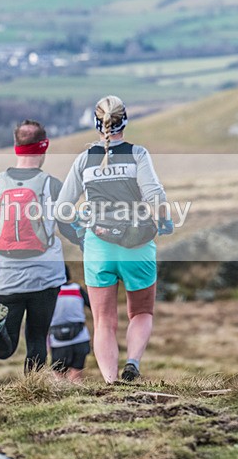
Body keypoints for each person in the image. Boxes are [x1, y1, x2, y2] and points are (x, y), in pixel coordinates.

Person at [56, 95, 173, 383]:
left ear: (97, 124)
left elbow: (62, 209)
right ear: (125, 121)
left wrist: (80, 237)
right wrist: (163, 220)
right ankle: (132, 363)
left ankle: (110, 381)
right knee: (142, 312)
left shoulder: (84, 160)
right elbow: (155, 196)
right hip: (138, 246)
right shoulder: (138, 154)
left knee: (104, 322)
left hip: (98, 246)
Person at [0, 120, 82, 373]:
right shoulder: (51, 185)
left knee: (5, 348)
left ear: (16, 146)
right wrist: (88, 245)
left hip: (5, 277)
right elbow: (69, 227)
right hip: (44, 276)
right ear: (43, 147)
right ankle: (33, 390)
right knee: (37, 340)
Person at [49, 265, 91, 383]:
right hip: (80, 338)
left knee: (58, 378)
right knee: (76, 377)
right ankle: (77, 399)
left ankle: (62, 399)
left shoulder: (50, 292)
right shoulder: (77, 289)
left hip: (57, 342)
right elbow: (94, 307)